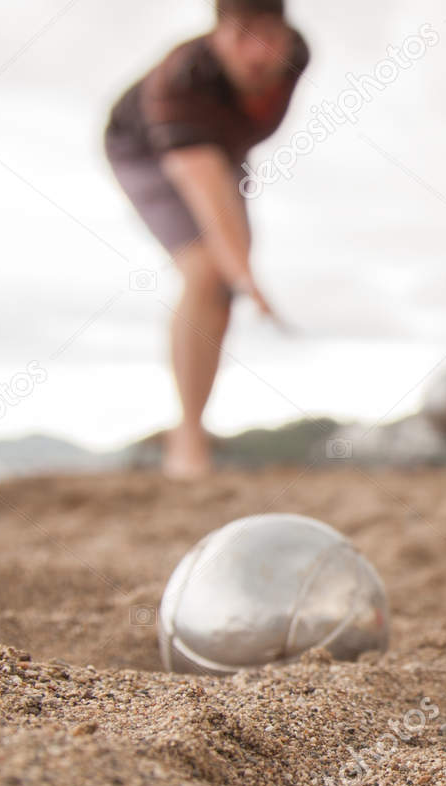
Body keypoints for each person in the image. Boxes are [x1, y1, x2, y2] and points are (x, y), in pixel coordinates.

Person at [105, 0, 309, 478]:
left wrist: (243, 272)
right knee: (208, 272)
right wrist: (246, 276)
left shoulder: (298, 54)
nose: (257, 54)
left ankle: (195, 426)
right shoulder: (179, 86)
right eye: (241, 36)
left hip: (222, 151)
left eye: (269, 35)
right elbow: (206, 188)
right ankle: (188, 441)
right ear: (216, 35)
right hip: (148, 151)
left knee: (225, 282)